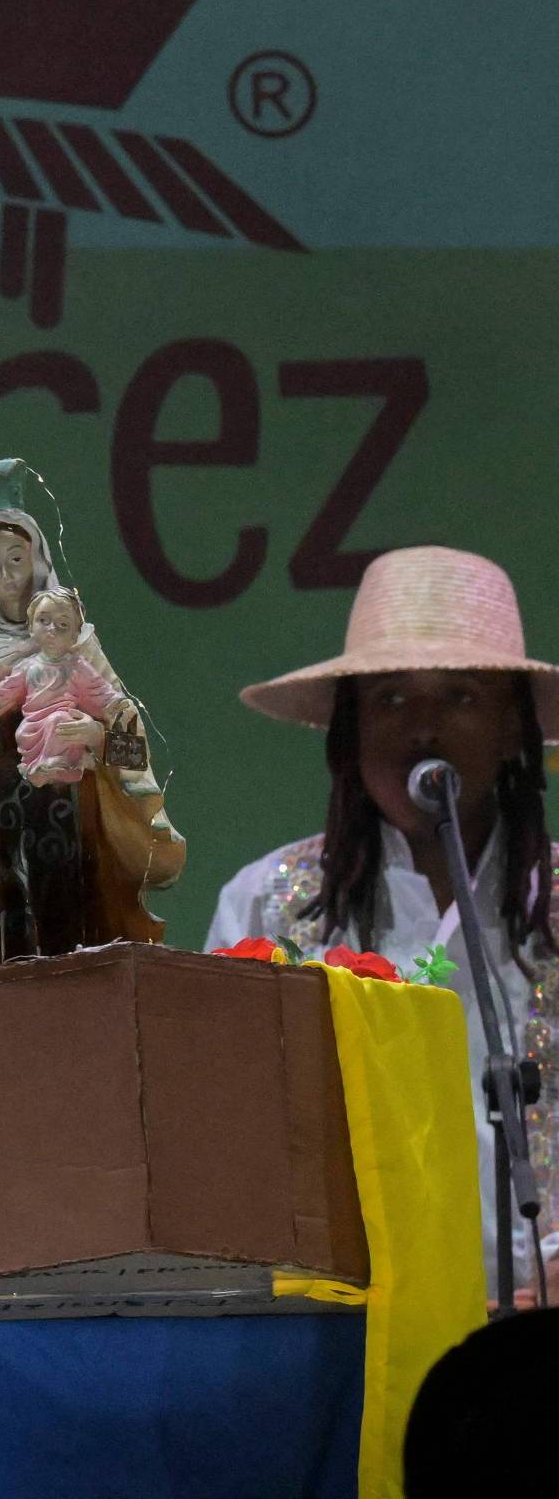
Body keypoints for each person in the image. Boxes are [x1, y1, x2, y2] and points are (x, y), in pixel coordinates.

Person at [209, 546, 559, 1307]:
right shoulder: (266, 906)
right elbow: (223, 1140)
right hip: (341, 1329)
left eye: (460, 697)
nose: (423, 728)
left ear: (512, 730)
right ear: (348, 733)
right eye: (391, 700)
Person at [0, 459, 184, 965]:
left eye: (16, 559)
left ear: (38, 559)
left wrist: (95, 736)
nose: (6, 575)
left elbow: (126, 733)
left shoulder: (78, 648)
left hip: (70, 808)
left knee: (67, 916)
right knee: (5, 928)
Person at [0, 588, 124, 787]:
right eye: (43, 621)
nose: (51, 629)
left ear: (74, 636)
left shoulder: (77, 666)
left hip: (65, 726)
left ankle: (60, 766)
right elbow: (7, 689)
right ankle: (39, 767)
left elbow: (98, 689)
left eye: (63, 625)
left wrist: (116, 704)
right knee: (30, 731)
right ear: (31, 627)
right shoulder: (27, 666)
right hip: (32, 728)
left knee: (60, 721)